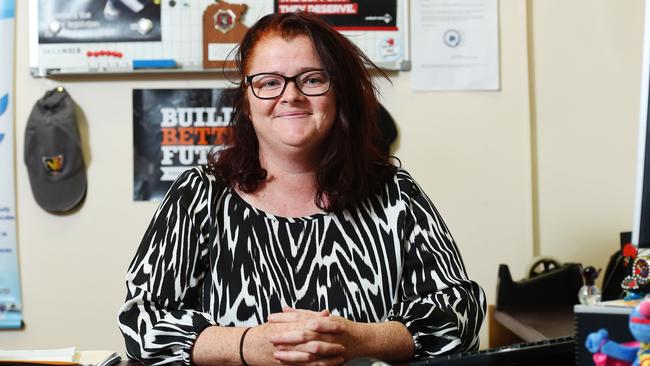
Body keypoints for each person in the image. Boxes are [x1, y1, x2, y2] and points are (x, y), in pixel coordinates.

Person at [117, 11, 486, 366]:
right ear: (246, 102)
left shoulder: (395, 194)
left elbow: (459, 312)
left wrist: (358, 340)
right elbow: (142, 320)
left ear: (338, 92)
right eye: (269, 82)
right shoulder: (199, 195)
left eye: (311, 79)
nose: (290, 95)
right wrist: (248, 346)